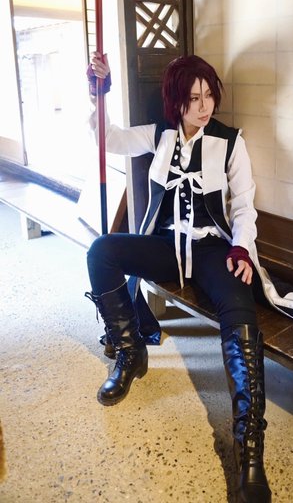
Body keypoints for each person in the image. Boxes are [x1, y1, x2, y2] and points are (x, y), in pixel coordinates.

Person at [85, 52, 272, 503]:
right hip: (167, 245)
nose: (204, 106)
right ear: (176, 102)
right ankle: (130, 352)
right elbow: (109, 139)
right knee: (101, 252)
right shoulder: (160, 135)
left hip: (213, 250)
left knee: (239, 308)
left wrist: (241, 248)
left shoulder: (230, 141)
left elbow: (244, 204)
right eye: (193, 98)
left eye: (209, 95)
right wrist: (99, 92)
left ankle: (249, 446)